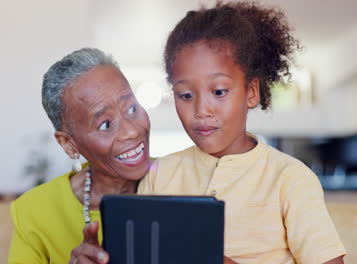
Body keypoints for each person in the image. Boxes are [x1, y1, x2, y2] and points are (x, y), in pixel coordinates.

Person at [138, 1, 346, 264]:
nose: (202, 110)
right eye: (186, 95)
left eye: (219, 91)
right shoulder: (159, 176)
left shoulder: (289, 180)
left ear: (251, 92)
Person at [7, 48, 151, 264]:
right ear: (69, 143)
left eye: (131, 108)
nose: (132, 131)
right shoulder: (34, 212)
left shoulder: (185, 177)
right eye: (105, 124)